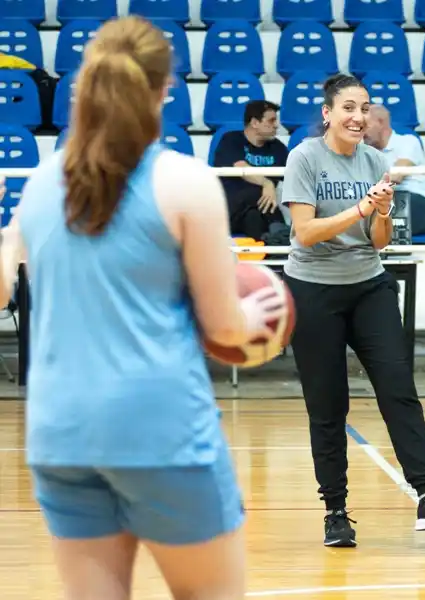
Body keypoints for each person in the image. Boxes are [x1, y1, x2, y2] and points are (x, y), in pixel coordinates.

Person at [0, 17, 287, 599]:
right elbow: (223, 325)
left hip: (61, 431)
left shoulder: (42, 182)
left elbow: (4, 284)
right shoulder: (185, 182)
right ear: (164, 89)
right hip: (159, 429)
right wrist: (260, 322)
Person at [280, 73, 425, 548]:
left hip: (368, 284)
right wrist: (362, 209)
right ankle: (335, 511)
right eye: (348, 108)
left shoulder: (375, 160)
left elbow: (378, 241)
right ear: (328, 114)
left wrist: (381, 213)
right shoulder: (304, 157)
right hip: (312, 289)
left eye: (364, 108)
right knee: (327, 405)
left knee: (399, 388)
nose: (358, 116)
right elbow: (305, 233)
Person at [212, 100, 290, 242]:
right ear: (254, 122)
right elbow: (240, 167)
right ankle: (281, 231)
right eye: (271, 120)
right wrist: (267, 183)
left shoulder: (278, 148)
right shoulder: (231, 140)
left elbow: (293, 178)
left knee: (253, 218)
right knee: (255, 192)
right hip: (230, 211)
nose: (276, 125)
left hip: (261, 211)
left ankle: (273, 245)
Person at [364, 104, 425, 241]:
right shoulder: (364, 151)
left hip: (414, 201)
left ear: (381, 122)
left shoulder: (408, 141)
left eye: (366, 125)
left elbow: (396, 177)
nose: (362, 132)